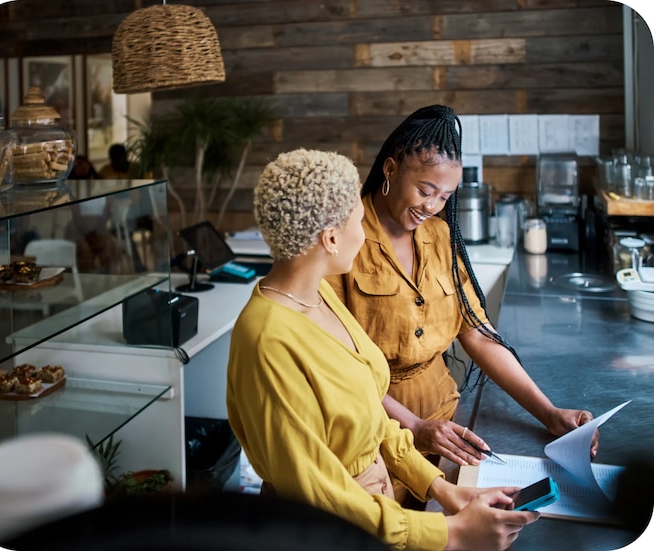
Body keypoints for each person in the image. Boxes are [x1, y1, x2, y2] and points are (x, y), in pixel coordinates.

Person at [226, 148, 539, 551]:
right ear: (331, 238)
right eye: (359, 220)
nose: (366, 231)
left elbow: (368, 417)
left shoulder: (316, 294)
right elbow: (320, 494)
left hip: (372, 516)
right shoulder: (267, 339)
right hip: (327, 533)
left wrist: (443, 489)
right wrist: (452, 534)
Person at [325, 105, 596, 476]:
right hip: (373, 430)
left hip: (444, 420)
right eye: (425, 190)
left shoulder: (439, 236)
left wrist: (549, 413)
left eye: (445, 197)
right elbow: (335, 366)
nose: (432, 206)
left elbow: (478, 333)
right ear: (390, 170)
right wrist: (414, 428)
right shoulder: (343, 241)